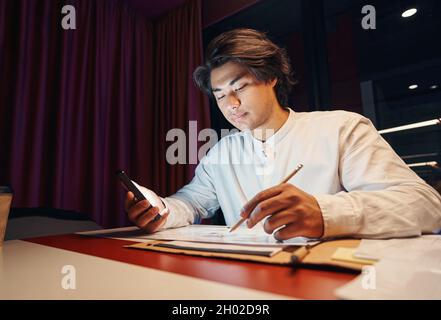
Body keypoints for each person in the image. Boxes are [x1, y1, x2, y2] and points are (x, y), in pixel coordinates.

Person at [125, 28, 441, 240]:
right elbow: (191, 203)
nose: (231, 104)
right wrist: (160, 210)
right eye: (220, 95)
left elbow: (425, 205)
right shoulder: (221, 154)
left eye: (239, 87)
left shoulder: (341, 129)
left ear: (272, 77)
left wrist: (325, 212)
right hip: (247, 283)